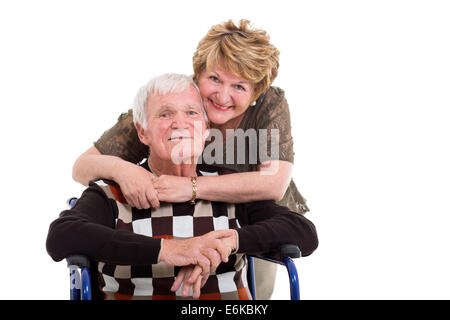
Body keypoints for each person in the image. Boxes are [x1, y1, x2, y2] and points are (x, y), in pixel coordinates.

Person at [72, 19, 309, 299]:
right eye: (214, 79)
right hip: (163, 215)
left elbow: (273, 184)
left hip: (248, 212)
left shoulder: (269, 105)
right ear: (198, 74)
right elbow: (81, 167)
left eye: (239, 87)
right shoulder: (173, 101)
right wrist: (124, 170)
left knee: (250, 287)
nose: (222, 96)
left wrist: (191, 188)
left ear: (256, 92)